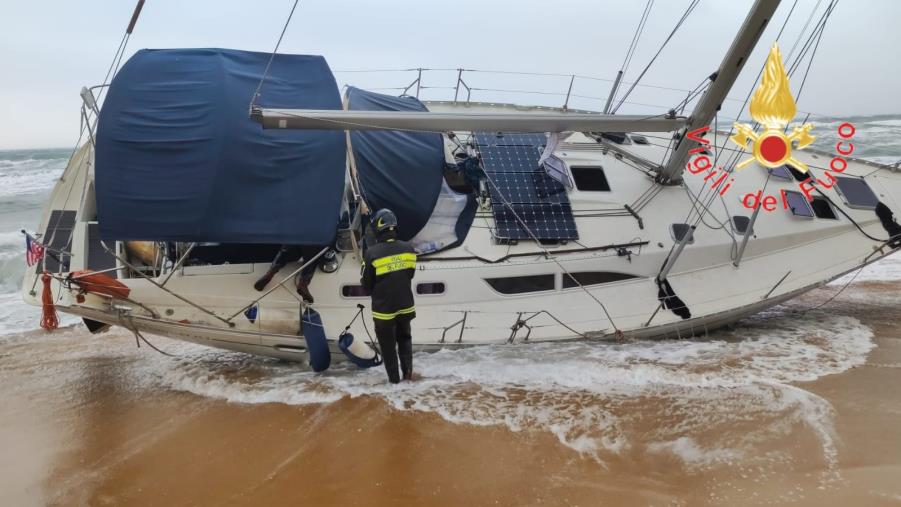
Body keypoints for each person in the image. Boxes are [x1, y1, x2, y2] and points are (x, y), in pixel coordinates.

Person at [360, 209, 417, 383]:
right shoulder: (409, 249)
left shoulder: (371, 253)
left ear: (378, 228)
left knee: (388, 347)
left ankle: (395, 384)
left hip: (383, 311)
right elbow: (410, 274)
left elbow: (366, 284)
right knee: (405, 340)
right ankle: (408, 377)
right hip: (406, 306)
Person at [254, 245, 330, 303]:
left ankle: (270, 273)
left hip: (294, 241)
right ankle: (303, 284)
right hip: (311, 243)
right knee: (312, 258)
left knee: (284, 252)